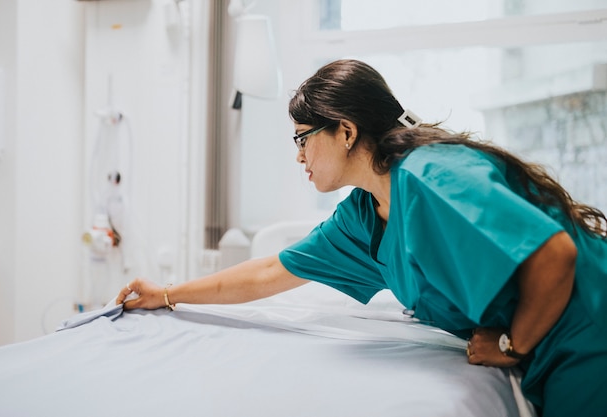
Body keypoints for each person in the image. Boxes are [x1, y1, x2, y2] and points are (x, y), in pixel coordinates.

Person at [117, 59, 607, 416]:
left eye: (302, 137)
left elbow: (555, 254)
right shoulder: (363, 217)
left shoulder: (432, 176)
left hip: (588, 329)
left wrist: (511, 344)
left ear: (346, 131)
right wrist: (166, 293)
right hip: (551, 347)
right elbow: (272, 270)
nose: (298, 155)